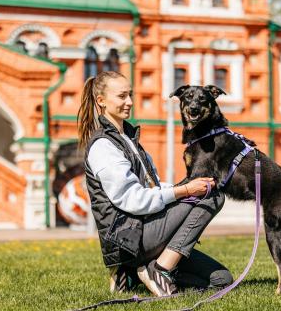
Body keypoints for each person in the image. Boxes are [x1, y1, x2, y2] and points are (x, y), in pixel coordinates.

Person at [77, 71, 233, 297]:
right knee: (213, 196)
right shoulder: (104, 146)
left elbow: (153, 187)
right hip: (129, 238)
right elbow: (134, 200)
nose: (129, 102)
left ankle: (132, 273)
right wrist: (186, 190)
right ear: (101, 101)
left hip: (146, 231)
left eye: (130, 95)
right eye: (121, 96)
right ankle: (160, 269)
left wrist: (184, 188)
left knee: (222, 279)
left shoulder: (129, 139)